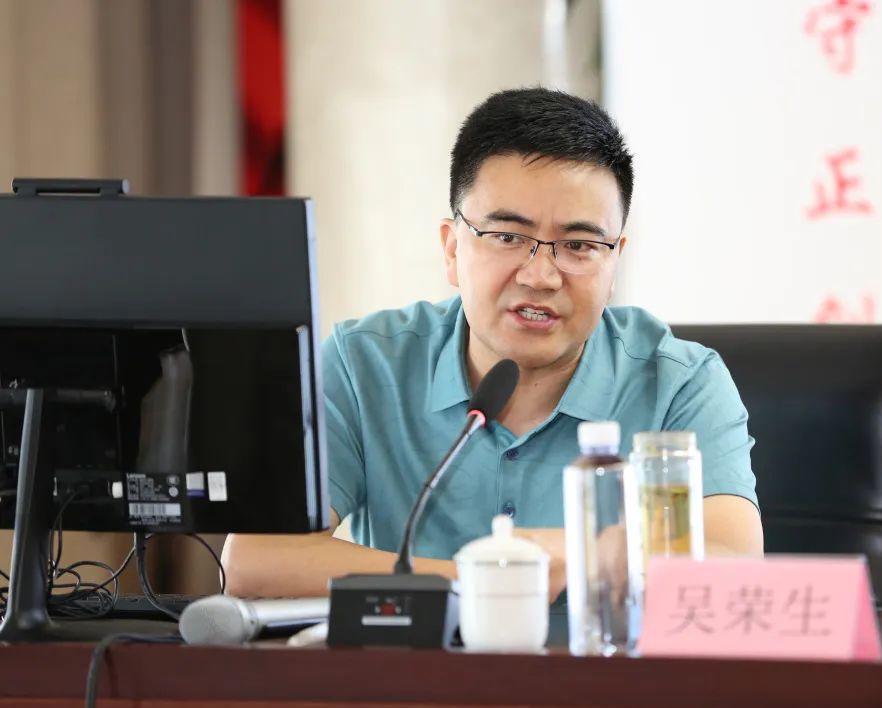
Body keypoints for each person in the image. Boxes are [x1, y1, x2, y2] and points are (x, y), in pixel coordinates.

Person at [222, 88, 763, 601]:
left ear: (615, 259)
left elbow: (734, 568)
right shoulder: (364, 364)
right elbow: (255, 561)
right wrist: (484, 583)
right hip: (415, 667)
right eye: (507, 237)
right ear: (451, 248)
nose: (541, 275)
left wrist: (583, 557)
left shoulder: (679, 383)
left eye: (579, 245)